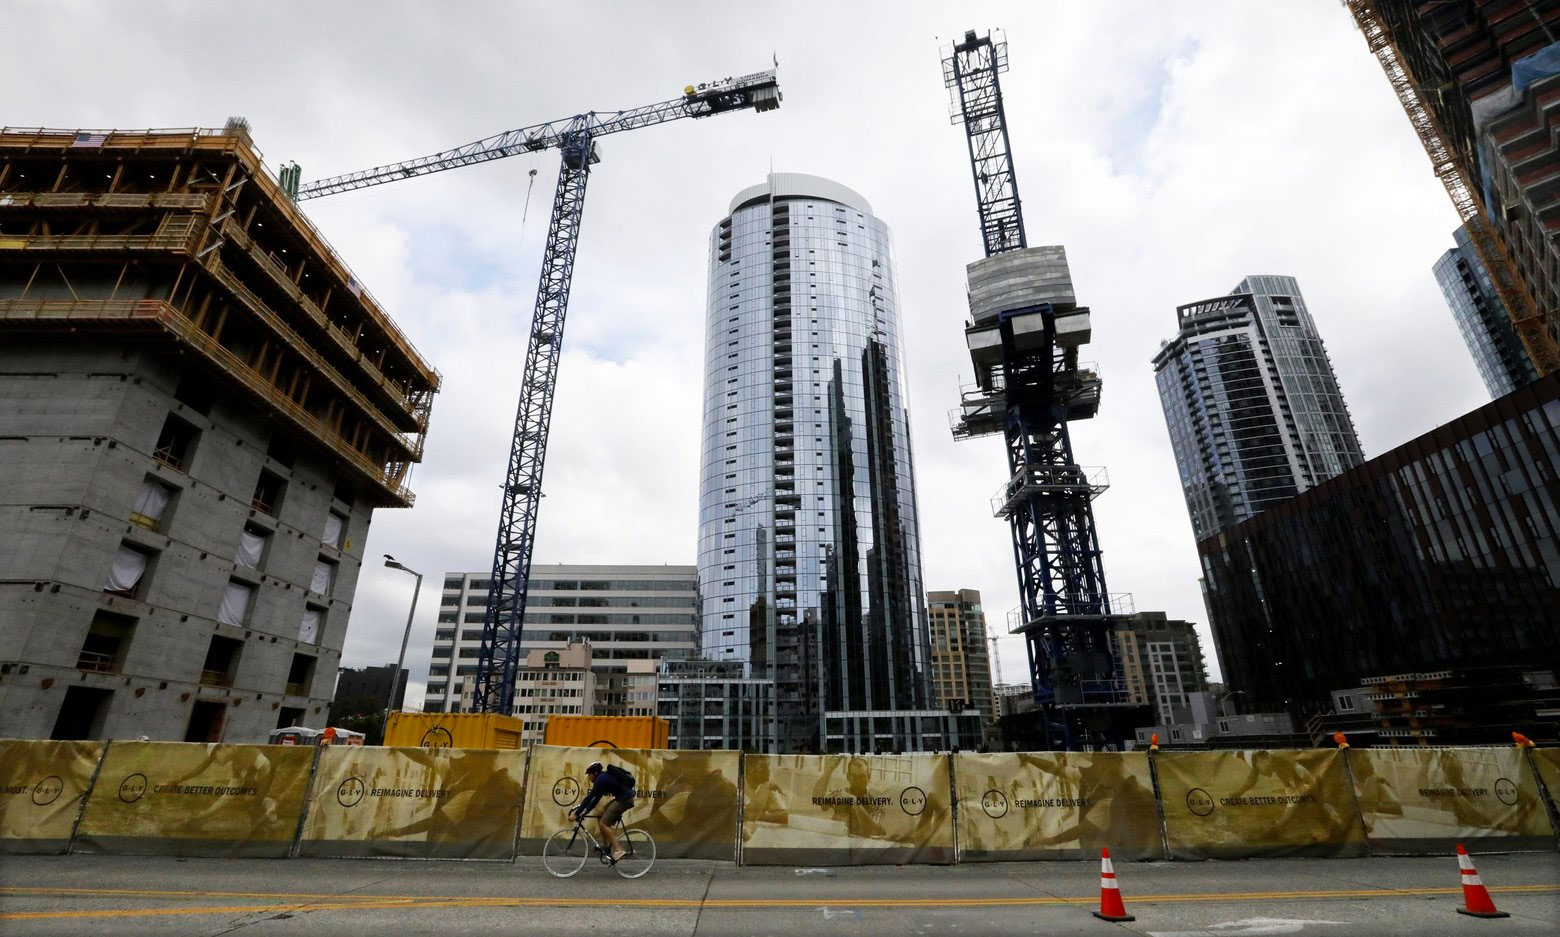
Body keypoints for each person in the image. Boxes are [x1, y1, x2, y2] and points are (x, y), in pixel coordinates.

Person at [570, 761, 634, 862]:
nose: (589, 778)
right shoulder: (603, 778)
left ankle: (619, 850)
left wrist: (576, 813)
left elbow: (589, 797)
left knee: (603, 824)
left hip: (624, 800)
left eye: (589, 775)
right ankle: (606, 847)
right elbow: (595, 800)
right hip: (622, 798)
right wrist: (584, 812)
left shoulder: (601, 780)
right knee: (600, 814)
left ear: (594, 773)